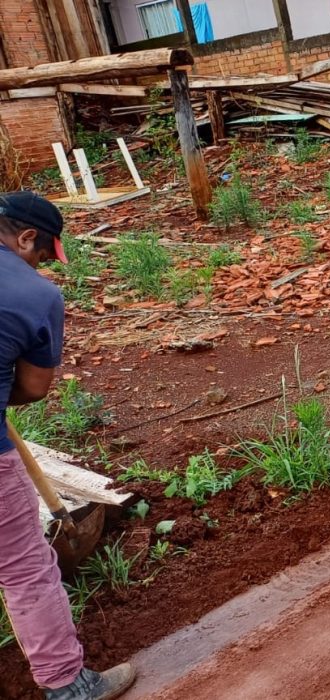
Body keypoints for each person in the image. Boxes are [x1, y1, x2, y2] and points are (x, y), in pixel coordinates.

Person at [0, 191, 136, 700]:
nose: (39, 265)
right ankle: (68, 685)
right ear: (27, 237)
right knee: (24, 569)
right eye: (39, 254)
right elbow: (34, 388)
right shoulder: (35, 295)